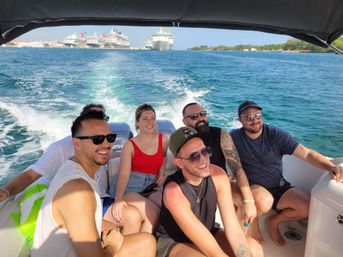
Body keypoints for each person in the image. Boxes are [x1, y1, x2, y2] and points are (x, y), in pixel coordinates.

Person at [31, 110, 156, 257]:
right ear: (76, 142)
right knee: (146, 244)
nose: (106, 144)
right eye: (97, 139)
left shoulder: (74, 166)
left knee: (145, 240)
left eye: (110, 138)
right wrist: (113, 246)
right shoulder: (78, 190)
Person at [230, 100, 343, 246]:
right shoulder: (233, 138)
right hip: (253, 190)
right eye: (248, 117)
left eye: (257, 115)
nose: (255, 120)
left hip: (278, 186)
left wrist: (330, 167)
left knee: (307, 207)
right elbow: (215, 150)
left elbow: (307, 154)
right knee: (264, 201)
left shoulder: (275, 135)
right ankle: (253, 224)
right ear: (240, 121)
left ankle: (274, 221)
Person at [155, 126, 263, 257]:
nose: (203, 159)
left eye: (205, 151)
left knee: (253, 248)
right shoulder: (174, 192)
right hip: (175, 241)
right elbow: (216, 254)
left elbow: (233, 229)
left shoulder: (219, 176)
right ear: (179, 163)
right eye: (194, 156)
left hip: (208, 230)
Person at [182, 103, 260, 241]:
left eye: (203, 114)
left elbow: (236, 167)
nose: (200, 118)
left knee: (248, 203)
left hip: (222, 184)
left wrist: (248, 200)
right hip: (195, 186)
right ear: (185, 122)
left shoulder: (220, 134)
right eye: (194, 116)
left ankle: (240, 240)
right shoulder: (182, 141)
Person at [0, 104, 108, 202]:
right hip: (76, 201)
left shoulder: (107, 143)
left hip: (102, 197)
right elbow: (30, 176)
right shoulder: (60, 148)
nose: (98, 121)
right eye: (93, 116)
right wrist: (8, 191)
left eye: (102, 117)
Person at [109, 104, 169, 233]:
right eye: (145, 119)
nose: (150, 122)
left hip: (150, 187)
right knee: (153, 213)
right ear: (137, 123)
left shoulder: (163, 140)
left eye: (153, 118)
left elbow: (164, 156)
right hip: (129, 189)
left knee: (168, 206)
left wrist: (162, 171)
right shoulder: (129, 146)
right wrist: (118, 200)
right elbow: (124, 174)